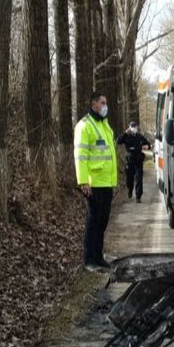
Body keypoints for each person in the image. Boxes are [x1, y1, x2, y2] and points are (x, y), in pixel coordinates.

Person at [74, 92, 118, 272]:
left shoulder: (104, 124)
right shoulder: (84, 126)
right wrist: (83, 181)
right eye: (103, 103)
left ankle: (98, 256)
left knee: (103, 221)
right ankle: (89, 259)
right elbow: (80, 156)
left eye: (105, 102)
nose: (105, 106)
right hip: (93, 183)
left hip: (106, 182)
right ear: (94, 105)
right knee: (93, 222)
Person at [116, 121, 151, 202]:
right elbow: (118, 141)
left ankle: (138, 196)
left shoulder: (140, 137)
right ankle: (130, 190)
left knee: (139, 178)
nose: (134, 128)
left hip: (138, 160)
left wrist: (147, 147)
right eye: (132, 126)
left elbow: (148, 145)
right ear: (129, 127)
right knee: (129, 179)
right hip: (130, 160)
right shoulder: (126, 136)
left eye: (135, 126)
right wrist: (125, 133)